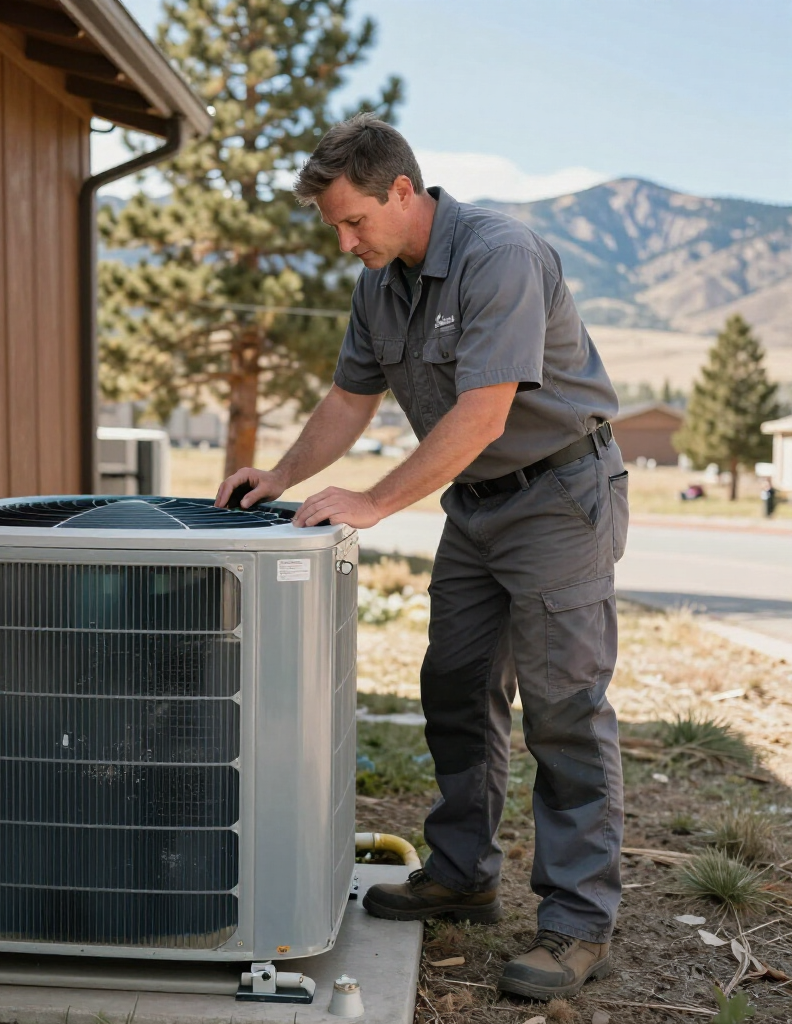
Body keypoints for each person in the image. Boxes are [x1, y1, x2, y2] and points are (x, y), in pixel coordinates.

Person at [215, 113, 628, 1003]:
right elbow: (348, 400)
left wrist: (370, 502)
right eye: (333, 225)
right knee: (454, 684)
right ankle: (464, 873)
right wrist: (279, 477)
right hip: (476, 508)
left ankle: (575, 921)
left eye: (354, 220)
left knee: (564, 707)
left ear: (403, 190)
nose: (344, 239)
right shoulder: (380, 285)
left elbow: (482, 413)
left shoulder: (498, 255)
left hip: (560, 495)